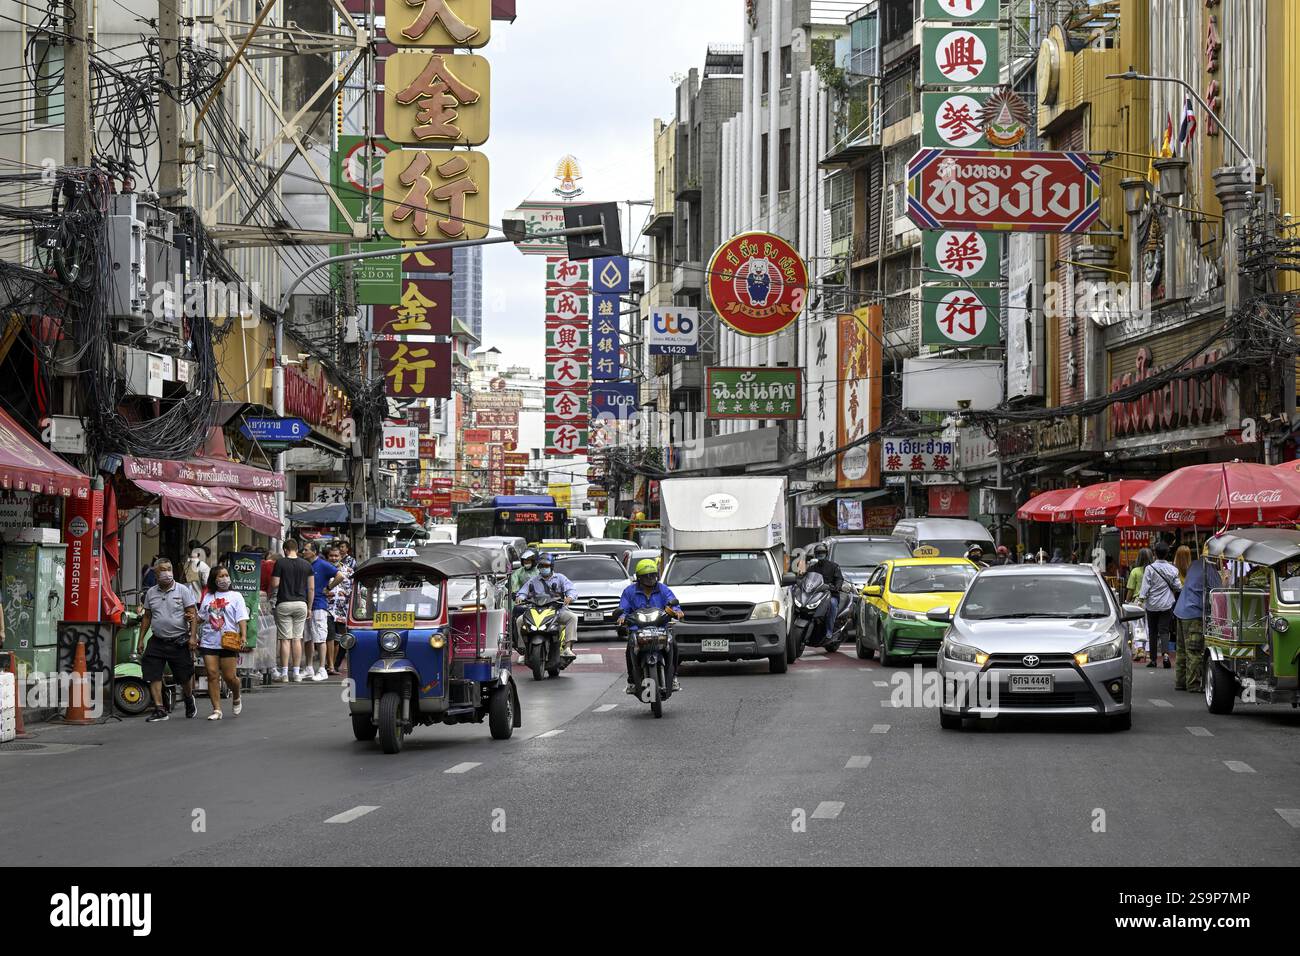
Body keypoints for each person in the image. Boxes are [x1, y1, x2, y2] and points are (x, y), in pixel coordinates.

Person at [136, 558, 199, 722]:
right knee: (153, 673)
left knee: (184, 677)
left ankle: (188, 697)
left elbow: (193, 615)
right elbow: (147, 616)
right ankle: (160, 709)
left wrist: (192, 637)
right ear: (155, 574)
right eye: (162, 570)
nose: (166, 573)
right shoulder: (151, 592)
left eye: (169, 569)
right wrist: (141, 640)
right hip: (157, 640)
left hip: (178, 641)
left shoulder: (182, 590)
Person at [618, 558, 685, 694]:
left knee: (674, 645)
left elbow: (674, 604)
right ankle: (631, 680)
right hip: (637, 629)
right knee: (630, 649)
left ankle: (673, 678)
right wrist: (621, 617)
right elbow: (623, 609)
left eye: (653, 575)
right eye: (646, 576)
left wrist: (677, 611)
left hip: (660, 628)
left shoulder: (663, 589)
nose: (650, 579)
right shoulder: (629, 591)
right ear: (639, 577)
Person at [198, 565, 249, 720]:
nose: (224, 578)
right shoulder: (207, 596)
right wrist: (191, 626)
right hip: (209, 641)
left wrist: (243, 636)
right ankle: (217, 709)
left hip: (228, 641)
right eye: (221, 576)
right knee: (212, 675)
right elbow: (201, 617)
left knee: (230, 677)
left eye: (226, 575)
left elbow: (241, 618)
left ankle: (236, 694)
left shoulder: (236, 596)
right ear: (214, 579)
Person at [1173, 543, 1219, 692]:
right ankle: (1193, 683)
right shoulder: (1209, 569)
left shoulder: (1194, 565)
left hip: (1180, 610)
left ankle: (1180, 682)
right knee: (1194, 650)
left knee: (1181, 650)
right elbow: (1218, 590)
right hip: (1194, 613)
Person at [514, 553, 578, 659]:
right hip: (536, 611)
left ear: (551, 566)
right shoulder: (533, 581)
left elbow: (572, 590)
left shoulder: (560, 578)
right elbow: (523, 592)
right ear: (538, 567)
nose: (544, 568)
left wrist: (570, 597)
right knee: (520, 620)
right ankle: (524, 649)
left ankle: (567, 648)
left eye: (546, 566)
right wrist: (520, 597)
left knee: (572, 617)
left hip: (557, 611)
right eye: (542, 566)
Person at [270, 538, 314, 682]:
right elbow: (311, 588)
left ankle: (284, 674)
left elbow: (275, 583)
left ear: (285, 549)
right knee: (297, 639)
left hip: (284, 603)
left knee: (284, 640)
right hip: (301, 604)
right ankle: (296, 673)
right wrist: (310, 607)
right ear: (297, 549)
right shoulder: (307, 564)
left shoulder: (280, 562)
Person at [303, 541, 346, 681]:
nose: (303, 552)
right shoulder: (306, 565)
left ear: (314, 552)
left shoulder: (322, 564)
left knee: (320, 638)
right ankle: (309, 667)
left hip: (319, 605)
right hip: (307, 605)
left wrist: (328, 588)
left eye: (306, 550)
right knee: (308, 638)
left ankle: (322, 668)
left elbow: (340, 576)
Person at [1139, 542, 1181, 670]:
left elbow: (1145, 587)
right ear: (1167, 553)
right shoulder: (1173, 569)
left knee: (1152, 632)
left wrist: (1141, 599)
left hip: (1151, 605)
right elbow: (1178, 586)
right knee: (1164, 631)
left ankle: (1152, 659)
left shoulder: (1150, 569)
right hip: (1166, 604)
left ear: (1155, 553)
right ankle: (1166, 655)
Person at [806, 542, 845, 645]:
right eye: (818, 552)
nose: (820, 554)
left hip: (831, 594)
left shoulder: (834, 566)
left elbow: (839, 579)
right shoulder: (812, 568)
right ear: (815, 554)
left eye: (822, 552)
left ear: (826, 553)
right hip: (815, 595)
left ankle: (829, 631)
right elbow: (806, 579)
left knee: (832, 604)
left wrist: (836, 586)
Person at [325, 543, 352, 676]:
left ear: (341, 556)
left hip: (342, 609)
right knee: (328, 637)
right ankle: (329, 665)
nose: (334, 558)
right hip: (327, 608)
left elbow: (353, 589)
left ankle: (335, 664)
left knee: (340, 639)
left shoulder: (348, 571)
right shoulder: (323, 569)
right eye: (331, 556)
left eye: (336, 556)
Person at [509, 549, 539, 655]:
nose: (526, 563)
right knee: (516, 617)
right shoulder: (518, 572)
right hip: (524, 602)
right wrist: (514, 593)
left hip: (541, 602)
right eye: (524, 561)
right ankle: (518, 642)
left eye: (529, 561)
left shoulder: (540, 572)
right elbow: (513, 583)